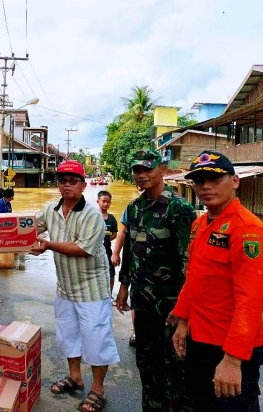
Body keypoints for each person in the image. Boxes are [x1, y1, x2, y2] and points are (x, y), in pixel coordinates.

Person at [170, 150, 263, 411]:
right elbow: (194, 277)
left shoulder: (247, 231)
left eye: (215, 179)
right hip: (202, 338)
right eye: (199, 180)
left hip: (230, 346)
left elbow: (250, 300)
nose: (206, 186)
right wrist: (183, 321)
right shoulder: (202, 223)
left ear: (235, 181)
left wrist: (232, 360)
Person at [30, 160, 119, 412]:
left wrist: (46, 245)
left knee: (96, 339)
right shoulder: (51, 209)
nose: (66, 184)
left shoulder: (92, 214)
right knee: (67, 335)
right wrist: (1, 229)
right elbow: (27, 227)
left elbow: (83, 248)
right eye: (62, 180)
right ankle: (76, 377)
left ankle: (98, 389)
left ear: (83, 184)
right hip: (65, 287)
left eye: (72, 180)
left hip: (91, 289)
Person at [115, 149, 196, 411]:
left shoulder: (179, 209)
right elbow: (129, 251)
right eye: (137, 170)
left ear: (162, 169)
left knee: (176, 369)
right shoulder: (135, 208)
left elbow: (189, 263)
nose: (142, 175)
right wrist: (123, 287)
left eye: (148, 169)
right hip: (143, 303)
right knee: (146, 363)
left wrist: (184, 310)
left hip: (171, 305)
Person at [97, 191, 118, 294]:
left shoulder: (112, 218)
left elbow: (115, 234)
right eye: (103, 201)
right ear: (98, 201)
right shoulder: (93, 216)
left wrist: (106, 239)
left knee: (111, 273)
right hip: (94, 251)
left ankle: (109, 295)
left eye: (108, 202)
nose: (106, 204)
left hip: (107, 251)